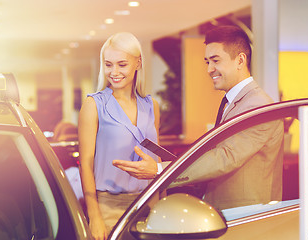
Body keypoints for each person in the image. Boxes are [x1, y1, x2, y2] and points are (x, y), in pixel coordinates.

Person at [113, 25, 284, 210]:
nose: (210, 69)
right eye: (207, 62)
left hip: (247, 215)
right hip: (225, 210)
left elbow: (225, 157)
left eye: (215, 60)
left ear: (240, 60)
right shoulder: (234, 102)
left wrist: (160, 170)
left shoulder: (258, 104)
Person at [78, 32, 160, 239]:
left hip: (150, 203)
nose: (114, 72)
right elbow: (86, 164)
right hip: (109, 207)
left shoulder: (152, 106)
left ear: (138, 63)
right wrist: (94, 215)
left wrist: (161, 202)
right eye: (108, 64)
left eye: (122, 64)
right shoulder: (94, 105)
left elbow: (156, 159)